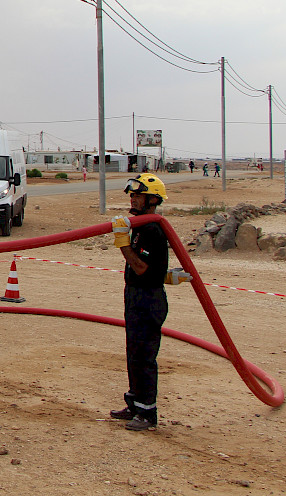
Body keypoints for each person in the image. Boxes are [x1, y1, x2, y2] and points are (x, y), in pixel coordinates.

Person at [109, 173, 169, 431]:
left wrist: (122, 242)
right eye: (132, 194)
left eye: (138, 195)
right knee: (133, 352)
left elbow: (142, 267)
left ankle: (147, 413)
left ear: (152, 199)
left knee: (144, 355)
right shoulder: (142, 225)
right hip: (135, 295)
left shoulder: (152, 229)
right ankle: (134, 404)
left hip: (148, 299)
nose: (132, 199)